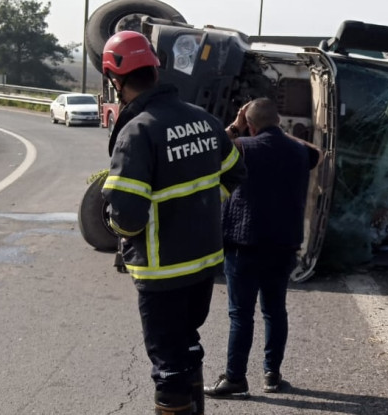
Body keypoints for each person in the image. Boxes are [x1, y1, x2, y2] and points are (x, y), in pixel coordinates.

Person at [100, 31, 247, 415]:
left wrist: (120, 229)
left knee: (168, 367)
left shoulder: (137, 130)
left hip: (162, 271)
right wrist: (200, 208)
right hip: (203, 263)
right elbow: (235, 171)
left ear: (116, 80)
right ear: (154, 68)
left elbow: (127, 216)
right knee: (188, 345)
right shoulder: (204, 120)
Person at [204, 97, 322, 399]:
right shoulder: (298, 152)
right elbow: (317, 154)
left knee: (241, 315)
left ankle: (235, 378)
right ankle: (271, 375)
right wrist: (276, 130)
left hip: (244, 244)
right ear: (279, 122)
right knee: (274, 311)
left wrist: (235, 125)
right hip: (283, 245)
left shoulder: (242, 146)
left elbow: (212, 149)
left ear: (250, 125)